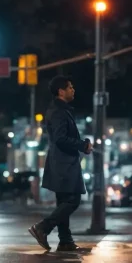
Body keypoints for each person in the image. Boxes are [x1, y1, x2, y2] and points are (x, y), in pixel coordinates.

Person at [28, 76, 92, 252]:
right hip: (64, 163)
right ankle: (43, 228)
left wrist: (82, 145)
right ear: (61, 91)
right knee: (73, 200)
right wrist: (82, 145)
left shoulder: (62, 110)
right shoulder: (58, 112)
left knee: (64, 201)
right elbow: (60, 138)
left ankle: (65, 241)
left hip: (63, 162)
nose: (73, 90)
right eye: (70, 87)